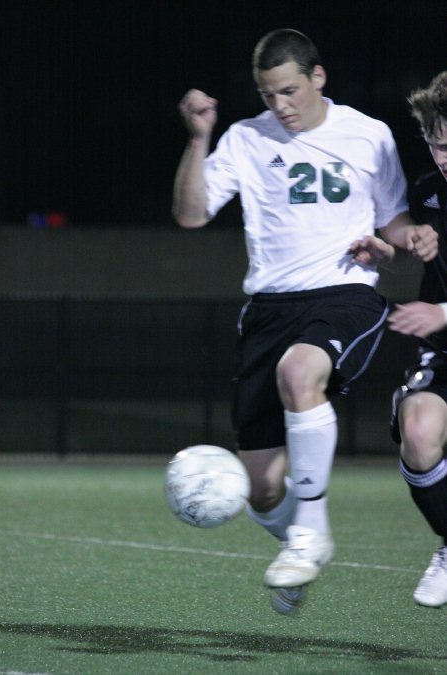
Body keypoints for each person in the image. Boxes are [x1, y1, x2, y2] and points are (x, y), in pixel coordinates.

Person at [172, 28, 438, 615]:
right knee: (262, 490)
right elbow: (191, 216)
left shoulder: (368, 135)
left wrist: (402, 240)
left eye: (290, 91)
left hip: (344, 296)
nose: (281, 106)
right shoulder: (245, 138)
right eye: (269, 96)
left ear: (318, 77)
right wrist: (199, 138)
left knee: (300, 374)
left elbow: (391, 222)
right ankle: (299, 540)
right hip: (268, 309)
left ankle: (310, 534)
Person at [388, 71, 447, 608]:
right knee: (419, 431)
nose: (442, 156)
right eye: (433, 143)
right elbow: (413, 242)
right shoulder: (430, 191)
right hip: (445, 345)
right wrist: (392, 247)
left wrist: (442, 311)